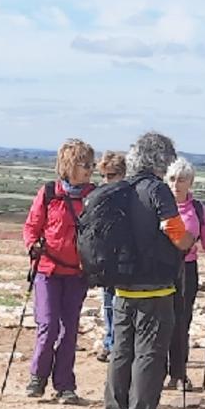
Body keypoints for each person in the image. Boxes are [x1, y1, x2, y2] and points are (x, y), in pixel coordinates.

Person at [100, 132, 194, 409]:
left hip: (122, 287)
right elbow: (176, 234)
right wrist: (188, 241)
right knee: (149, 356)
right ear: (161, 159)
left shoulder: (121, 189)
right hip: (154, 288)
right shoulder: (157, 190)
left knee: (121, 352)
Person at [20, 139, 96, 406]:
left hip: (77, 273)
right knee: (48, 325)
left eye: (91, 164)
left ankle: (65, 385)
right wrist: (32, 245)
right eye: (83, 164)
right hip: (48, 269)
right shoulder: (49, 193)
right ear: (67, 166)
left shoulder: (93, 197)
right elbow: (32, 226)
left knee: (69, 330)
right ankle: (38, 377)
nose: (89, 169)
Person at [164, 157, 205, 392]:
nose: (176, 184)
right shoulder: (160, 205)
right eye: (172, 179)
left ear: (190, 182)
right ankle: (157, 373)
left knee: (181, 322)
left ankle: (179, 372)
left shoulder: (198, 209)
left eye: (182, 179)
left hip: (187, 269)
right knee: (160, 321)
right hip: (161, 269)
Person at [92, 151, 127, 363]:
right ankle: (109, 341)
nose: (106, 180)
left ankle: (116, 344)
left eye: (111, 175)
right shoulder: (100, 197)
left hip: (122, 258)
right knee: (107, 302)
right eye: (104, 175)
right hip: (106, 258)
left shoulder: (127, 198)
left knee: (118, 303)